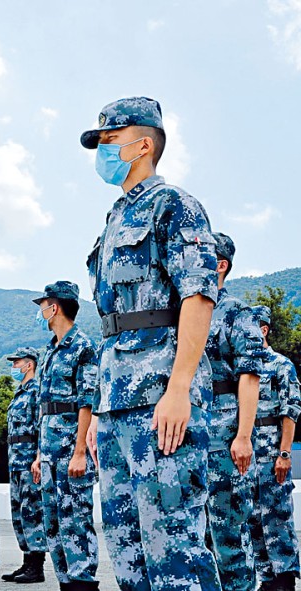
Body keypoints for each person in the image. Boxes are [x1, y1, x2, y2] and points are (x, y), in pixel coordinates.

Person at [82, 96, 220, 591]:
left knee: (173, 542)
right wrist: (100, 411)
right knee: (127, 548)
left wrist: (180, 387)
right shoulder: (116, 216)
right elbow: (112, 323)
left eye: (109, 140)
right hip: (117, 400)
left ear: (143, 144)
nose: (101, 149)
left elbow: (198, 296)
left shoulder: (173, 205)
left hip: (161, 395)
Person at [203, 232, 265, 591]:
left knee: (229, 534)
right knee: (197, 538)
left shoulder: (235, 312)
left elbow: (250, 376)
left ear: (221, 265)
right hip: (191, 434)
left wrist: (243, 436)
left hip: (225, 431)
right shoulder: (184, 311)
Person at [30, 281, 99, 590]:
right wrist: (37, 456)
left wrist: (81, 451)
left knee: (76, 520)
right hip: (48, 454)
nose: (41, 310)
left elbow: (87, 401)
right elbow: (42, 410)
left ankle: (83, 582)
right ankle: (66, 582)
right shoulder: (49, 351)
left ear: (54, 307)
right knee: (54, 522)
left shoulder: (83, 347)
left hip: (72, 449)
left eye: (43, 304)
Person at [251, 305, 301, 591]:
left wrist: (284, 454)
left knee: (277, 517)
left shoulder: (281, 365)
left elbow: (290, 412)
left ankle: (284, 580)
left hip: (272, 454)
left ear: (264, 329)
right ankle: (266, 578)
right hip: (247, 454)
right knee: (254, 518)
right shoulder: (243, 368)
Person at [1, 347, 47, 584]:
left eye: (16, 363)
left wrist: (38, 458)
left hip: (29, 462)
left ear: (29, 365)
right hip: (16, 462)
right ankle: (27, 561)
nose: (14, 367)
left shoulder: (36, 391)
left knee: (32, 512)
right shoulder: (20, 392)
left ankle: (36, 566)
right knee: (19, 513)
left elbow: (41, 426)